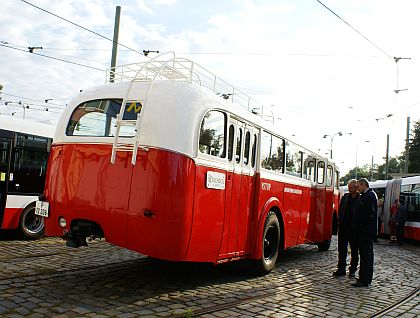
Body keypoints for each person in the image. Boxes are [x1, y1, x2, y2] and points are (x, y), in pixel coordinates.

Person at [351, 178, 377, 287]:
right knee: (364, 255)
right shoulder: (365, 196)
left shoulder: (369, 196)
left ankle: (365, 279)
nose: (357, 189)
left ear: (363, 185)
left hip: (365, 232)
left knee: (366, 255)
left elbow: (368, 214)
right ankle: (363, 277)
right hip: (363, 231)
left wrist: (360, 226)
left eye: (358, 186)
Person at [333, 179, 360, 277]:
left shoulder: (360, 198)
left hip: (354, 229)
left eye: (351, 187)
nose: (349, 189)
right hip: (343, 227)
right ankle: (341, 268)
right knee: (342, 250)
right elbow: (341, 211)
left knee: (354, 250)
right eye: (348, 187)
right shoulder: (345, 197)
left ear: (357, 187)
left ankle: (352, 269)